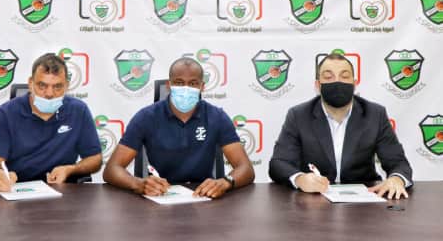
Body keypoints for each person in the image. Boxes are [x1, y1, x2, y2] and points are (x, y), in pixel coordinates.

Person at [103, 57, 254, 198]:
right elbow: (111, 169)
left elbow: (246, 168)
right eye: (179, 83)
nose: (186, 88)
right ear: (169, 85)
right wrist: (138, 184)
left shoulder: (217, 117)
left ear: (202, 87)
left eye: (193, 83)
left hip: (203, 196)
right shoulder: (146, 117)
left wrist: (225, 182)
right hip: (159, 196)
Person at [269, 53, 413, 199]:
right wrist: (300, 179)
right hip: (313, 200)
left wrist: (397, 179)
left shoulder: (375, 114)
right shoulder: (299, 115)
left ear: (354, 83)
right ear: (318, 85)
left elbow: (398, 162)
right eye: (328, 77)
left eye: (344, 77)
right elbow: (279, 163)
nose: (337, 82)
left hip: (364, 200)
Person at [0, 53, 102, 192]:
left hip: (61, 191)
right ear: (30, 83)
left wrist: (71, 169)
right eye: (42, 85)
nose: (49, 93)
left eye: (57, 86)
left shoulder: (79, 110)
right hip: (17, 189)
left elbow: (95, 159)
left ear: (66, 86)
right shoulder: (6, 113)